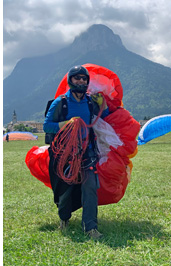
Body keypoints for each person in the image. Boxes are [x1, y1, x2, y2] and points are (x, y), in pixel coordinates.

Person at [43, 65, 109, 239]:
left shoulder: (90, 102)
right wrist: (66, 124)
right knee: (65, 190)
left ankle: (90, 227)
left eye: (84, 78)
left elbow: (104, 116)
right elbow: (46, 126)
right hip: (65, 154)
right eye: (77, 78)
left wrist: (103, 104)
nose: (81, 81)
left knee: (90, 187)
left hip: (87, 152)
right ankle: (64, 218)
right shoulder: (61, 102)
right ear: (70, 81)